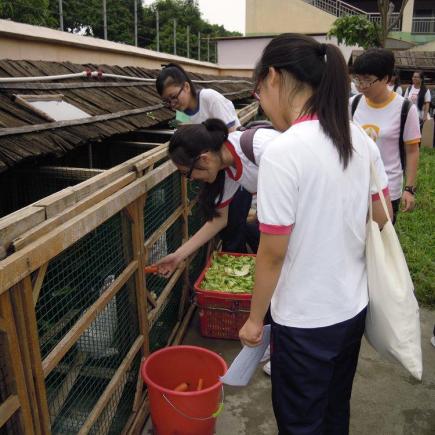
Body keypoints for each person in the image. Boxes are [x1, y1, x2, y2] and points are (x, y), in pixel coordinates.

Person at [238, 33, 393, 434]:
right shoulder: (358, 138)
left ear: (273, 77)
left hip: (305, 321)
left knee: (300, 422)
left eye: (258, 91)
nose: (261, 102)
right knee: (334, 411)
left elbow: (272, 254)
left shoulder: (285, 152)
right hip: (351, 310)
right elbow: (382, 215)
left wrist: (255, 320)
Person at [155, 119, 280, 277]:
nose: (191, 179)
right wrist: (177, 256)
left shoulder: (261, 148)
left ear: (204, 159)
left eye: (187, 173)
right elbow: (219, 220)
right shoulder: (227, 167)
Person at [156, 63, 250, 252]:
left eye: (174, 97)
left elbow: (231, 136)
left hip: (232, 169)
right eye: (168, 101)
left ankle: (239, 263)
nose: (173, 104)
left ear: (187, 86)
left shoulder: (209, 98)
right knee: (224, 224)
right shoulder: (181, 115)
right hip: (212, 172)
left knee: (235, 224)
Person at [351, 49, 420, 224]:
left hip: (388, 188)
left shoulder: (405, 109)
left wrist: (409, 189)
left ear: (387, 79)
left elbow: (412, 152)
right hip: (355, 185)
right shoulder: (353, 104)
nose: (361, 85)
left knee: (382, 241)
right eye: (358, 79)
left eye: (368, 80)